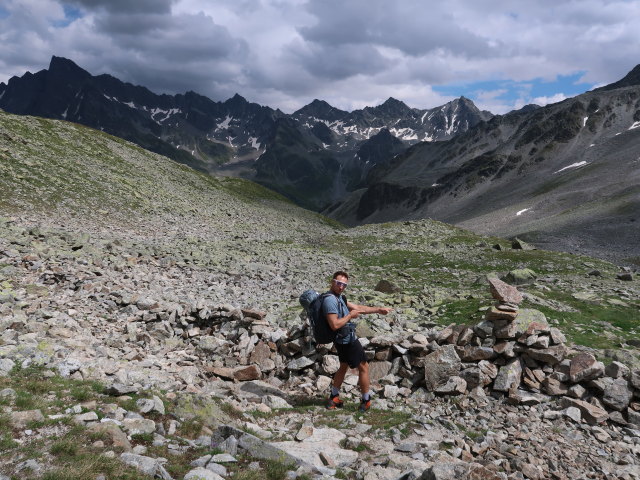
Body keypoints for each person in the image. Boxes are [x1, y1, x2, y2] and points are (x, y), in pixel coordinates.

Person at [323, 271, 392, 412]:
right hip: (347, 340)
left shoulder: (338, 298)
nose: (341, 287)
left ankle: (333, 397)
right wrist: (349, 316)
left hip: (341, 340)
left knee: (343, 366)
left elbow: (359, 309)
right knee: (364, 367)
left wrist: (378, 310)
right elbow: (334, 324)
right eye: (338, 283)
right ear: (332, 282)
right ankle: (366, 400)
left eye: (344, 284)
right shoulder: (330, 300)